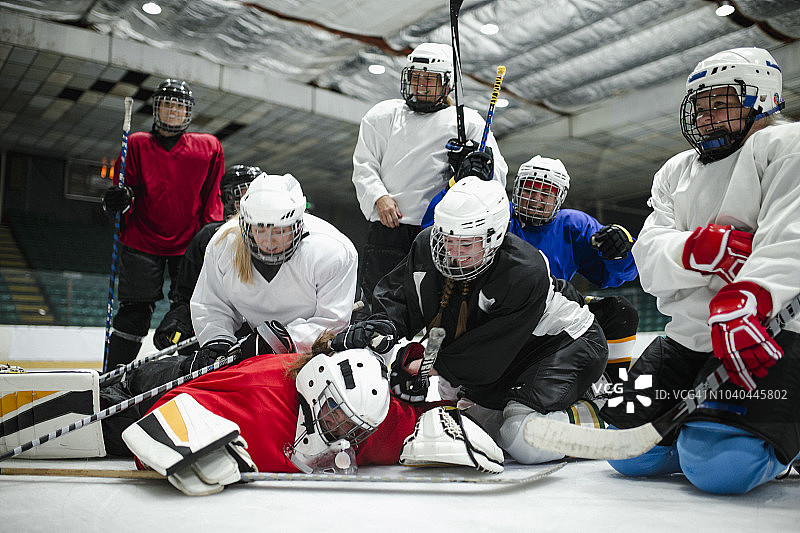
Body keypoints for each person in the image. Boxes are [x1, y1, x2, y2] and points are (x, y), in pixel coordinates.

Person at [600, 47, 800, 495]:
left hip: (766, 335)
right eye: (702, 107)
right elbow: (648, 257)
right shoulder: (675, 171)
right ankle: (695, 430)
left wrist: (752, 295)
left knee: (721, 467)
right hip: (688, 337)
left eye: (722, 103)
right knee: (626, 451)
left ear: (761, 99)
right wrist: (695, 251)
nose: (708, 117)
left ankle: (780, 436)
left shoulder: (787, 146)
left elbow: (791, 237)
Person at [368, 176, 609, 465]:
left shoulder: (524, 270)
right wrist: (379, 326)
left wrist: (428, 366)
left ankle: (597, 413)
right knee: (481, 431)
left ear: (494, 236)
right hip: (507, 352)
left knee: (522, 439)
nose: (452, 254)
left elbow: (488, 355)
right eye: (447, 239)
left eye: (466, 244)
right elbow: (404, 298)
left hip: (563, 345)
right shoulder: (427, 245)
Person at [352, 42, 507, 307]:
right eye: (416, 77)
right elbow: (364, 164)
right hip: (388, 230)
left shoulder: (466, 122)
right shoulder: (382, 115)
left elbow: (497, 178)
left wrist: (475, 169)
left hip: (438, 231)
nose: (421, 85)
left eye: (430, 79)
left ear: (446, 84)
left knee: (430, 305)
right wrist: (379, 196)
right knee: (378, 304)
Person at [101, 79, 224, 372]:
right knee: (133, 312)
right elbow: (125, 190)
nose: (173, 111)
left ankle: (184, 374)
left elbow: (212, 195)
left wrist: (210, 235)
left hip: (189, 245)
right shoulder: (136, 143)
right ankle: (112, 377)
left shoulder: (208, 147)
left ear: (188, 113)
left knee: (189, 311)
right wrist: (120, 198)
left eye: (179, 106)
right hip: (142, 240)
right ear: (157, 108)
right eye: (167, 104)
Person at [189, 172, 358, 364]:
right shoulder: (223, 245)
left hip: (315, 353)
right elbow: (212, 305)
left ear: (297, 224)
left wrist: (281, 340)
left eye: (280, 231)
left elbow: (332, 321)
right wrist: (217, 340)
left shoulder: (332, 250)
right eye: (260, 230)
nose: (268, 241)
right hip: (254, 346)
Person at [508, 155, 640, 382]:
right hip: (504, 312)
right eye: (529, 190)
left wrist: (620, 252)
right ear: (517, 188)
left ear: (558, 199)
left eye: (546, 193)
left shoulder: (573, 224)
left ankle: (613, 384)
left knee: (620, 311)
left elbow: (619, 275)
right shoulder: (499, 215)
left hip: (554, 311)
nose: (536, 200)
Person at [152, 164, 262, 353]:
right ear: (228, 197)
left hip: (261, 332)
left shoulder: (277, 235)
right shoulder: (210, 237)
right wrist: (179, 318)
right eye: (243, 192)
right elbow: (188, 293)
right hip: (218, 331)